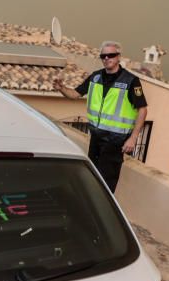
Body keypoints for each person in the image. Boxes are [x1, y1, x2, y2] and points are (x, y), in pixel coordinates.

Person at [54, 40, 148, 192]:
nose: (106, 58)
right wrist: (61, 88)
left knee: (106, 183)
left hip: (115, 141)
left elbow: (142, 110)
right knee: (92, 177)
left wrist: (133, 138)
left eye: (110, 55)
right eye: (103, 56)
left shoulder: (130, 81)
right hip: (96, 138)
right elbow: (75, 94)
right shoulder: (95, 77)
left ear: (118, 57)